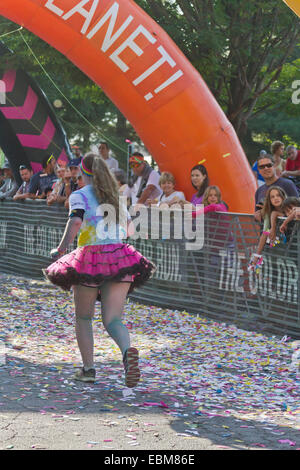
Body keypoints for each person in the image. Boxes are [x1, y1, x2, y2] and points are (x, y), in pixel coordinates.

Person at [44, 153, 155, 387]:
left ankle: (88, 369)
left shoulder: (79, 195)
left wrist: (62, 248)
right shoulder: (116, 197)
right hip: (119, 257)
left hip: (90, 258)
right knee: (113, 319)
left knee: (84, 317)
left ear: (84, 173)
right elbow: (129, 230)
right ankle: (127, 351)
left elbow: (75, 221)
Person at [249, 186, 286, 272]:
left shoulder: (289, 208)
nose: (276, 198)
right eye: (272, 197)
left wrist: (273, 223)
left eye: (278, 195)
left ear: (283, 196)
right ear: (269, 200)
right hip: (277, 249)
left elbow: (278, 214)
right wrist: (257, 256)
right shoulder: (267, 213)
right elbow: (265, 233)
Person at [254, 154, 298, 222]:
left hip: (288, 230)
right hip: (266, 231)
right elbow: (257, 216)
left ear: (274, 166)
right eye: (262, 167)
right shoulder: (259, 191)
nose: (266, 168)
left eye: (269, 165)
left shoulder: (288, 184)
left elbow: (298, 209)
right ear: (258, 170)